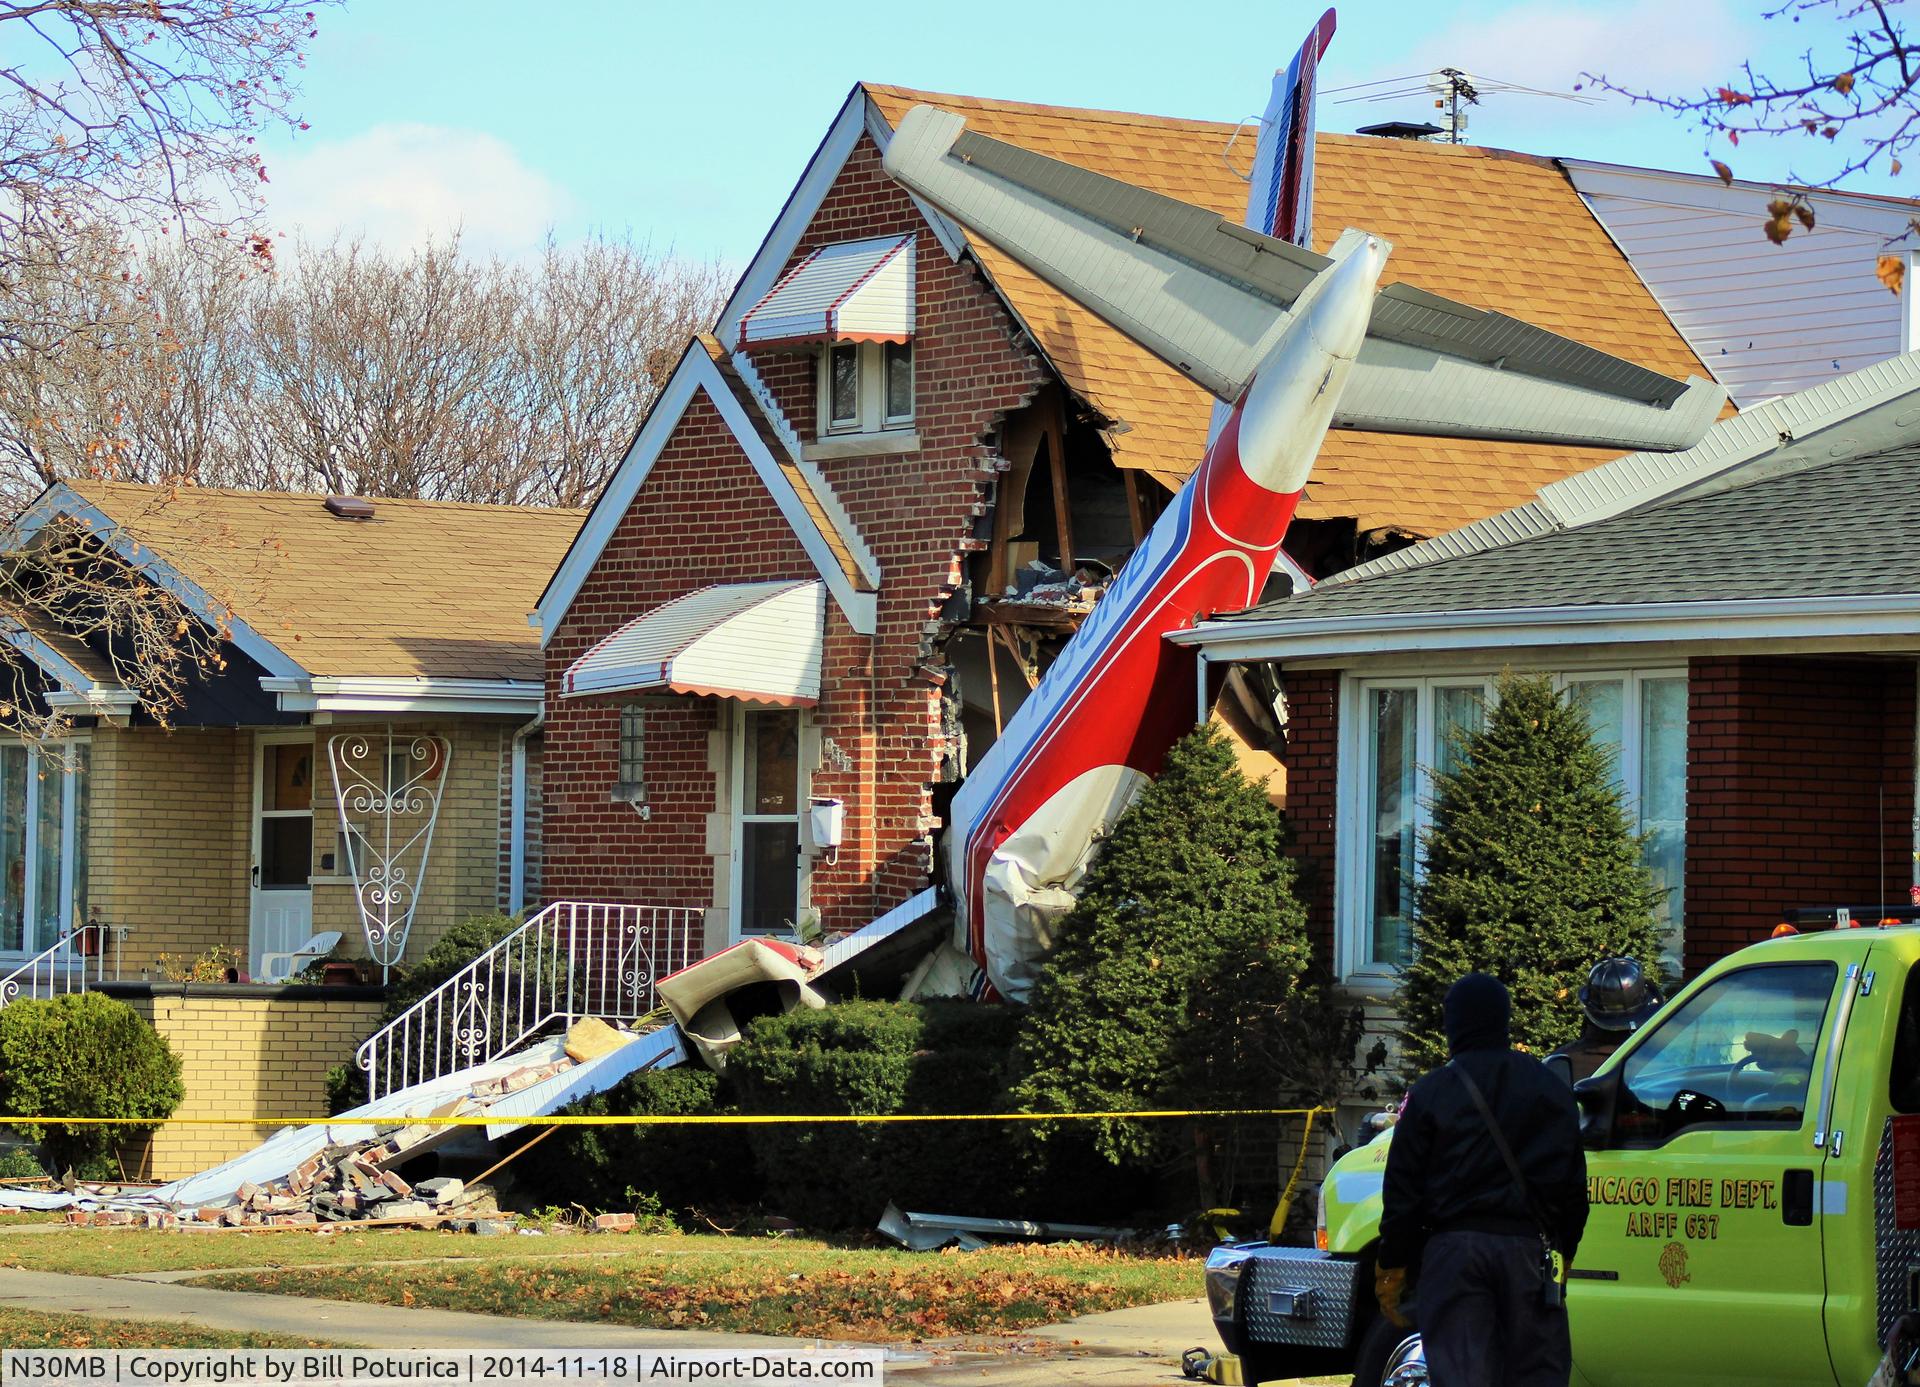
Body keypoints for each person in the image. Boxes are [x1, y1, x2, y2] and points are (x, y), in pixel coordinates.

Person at [1375, 972, 1588, 1387]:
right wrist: (1561, 1254)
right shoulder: (1550, 1088)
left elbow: (1403, 1192)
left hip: (1454, 1257)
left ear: (1454, 1024)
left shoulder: (1431, 1093)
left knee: (1462, 1375)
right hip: (1529, 1253)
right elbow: (1573, 1189)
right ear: (1503, 1021)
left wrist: (1394, 1264)